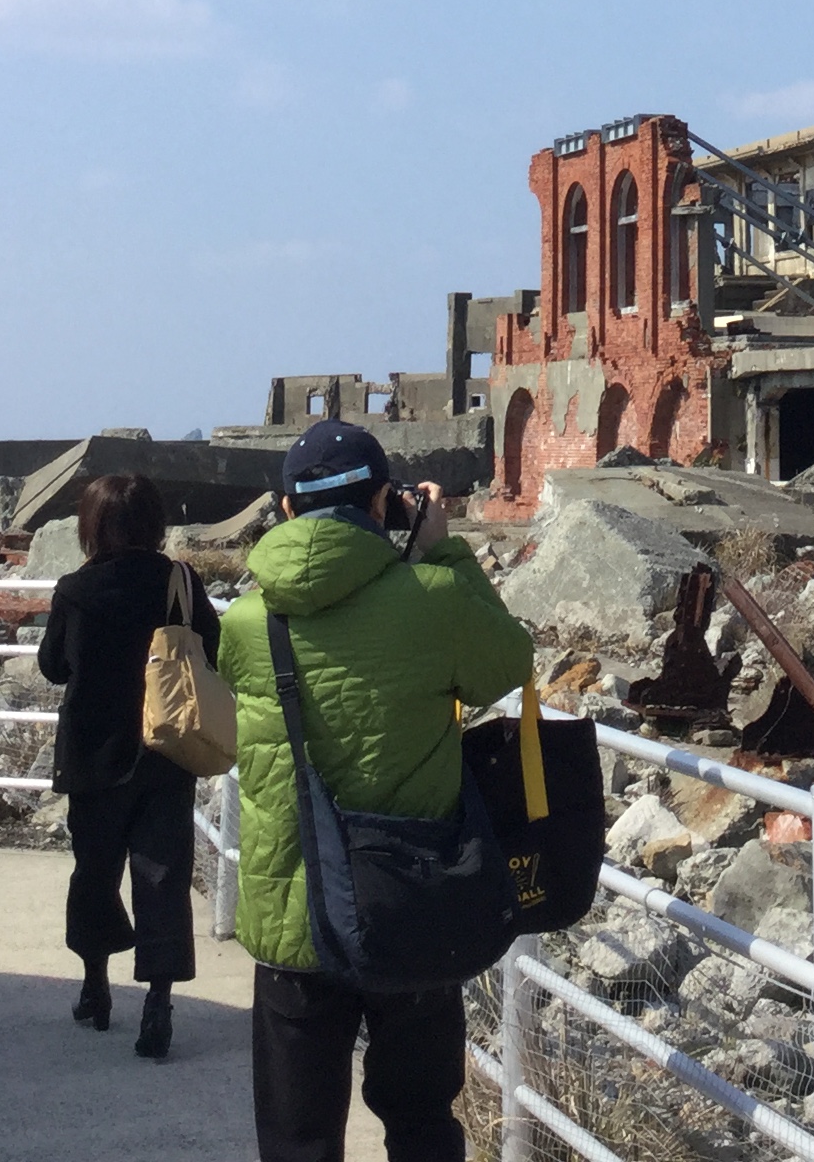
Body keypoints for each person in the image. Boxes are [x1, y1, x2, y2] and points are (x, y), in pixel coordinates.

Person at [217, 419, 532, 1162]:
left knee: (297, 1137)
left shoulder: (250, 621)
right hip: (410, 902)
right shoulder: (434, 598)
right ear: (385, 503)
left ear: (286, 510)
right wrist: (442, 549)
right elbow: (507, 663)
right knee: (421, 1124)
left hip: (292, 914)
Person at [37, 472, 220, 1060]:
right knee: (162, 875)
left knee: (94, 872)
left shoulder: (75, 590)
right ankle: (158, 1004)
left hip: (93, 755)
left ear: (92, 526)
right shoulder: (178, 580)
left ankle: (96, 986)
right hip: (166, 750)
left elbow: (52, 666)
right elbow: (211, 649)